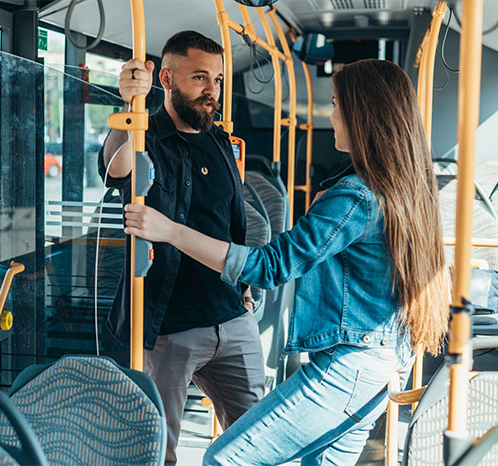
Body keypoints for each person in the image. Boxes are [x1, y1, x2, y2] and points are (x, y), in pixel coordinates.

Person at [124, 58, 450, 465]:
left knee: (224, 458)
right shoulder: (409, 187)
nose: (331, 117)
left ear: (361, 115)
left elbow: (269, 266)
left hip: (346, 369)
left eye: (335, 105)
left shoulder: (355, 197)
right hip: (383, 363)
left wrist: (170, 231)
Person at [98, 30, 265, 465]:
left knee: (258, 437)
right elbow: (114, 167)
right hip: (168, 326)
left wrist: (244, 286)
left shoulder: (220, 139)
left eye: (218, 80)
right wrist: (127, 104)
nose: (212, 91)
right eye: (199, 78)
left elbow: (232, 221)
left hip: (230, 316)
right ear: (167, 79)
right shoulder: (144, 134)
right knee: (159, 448)